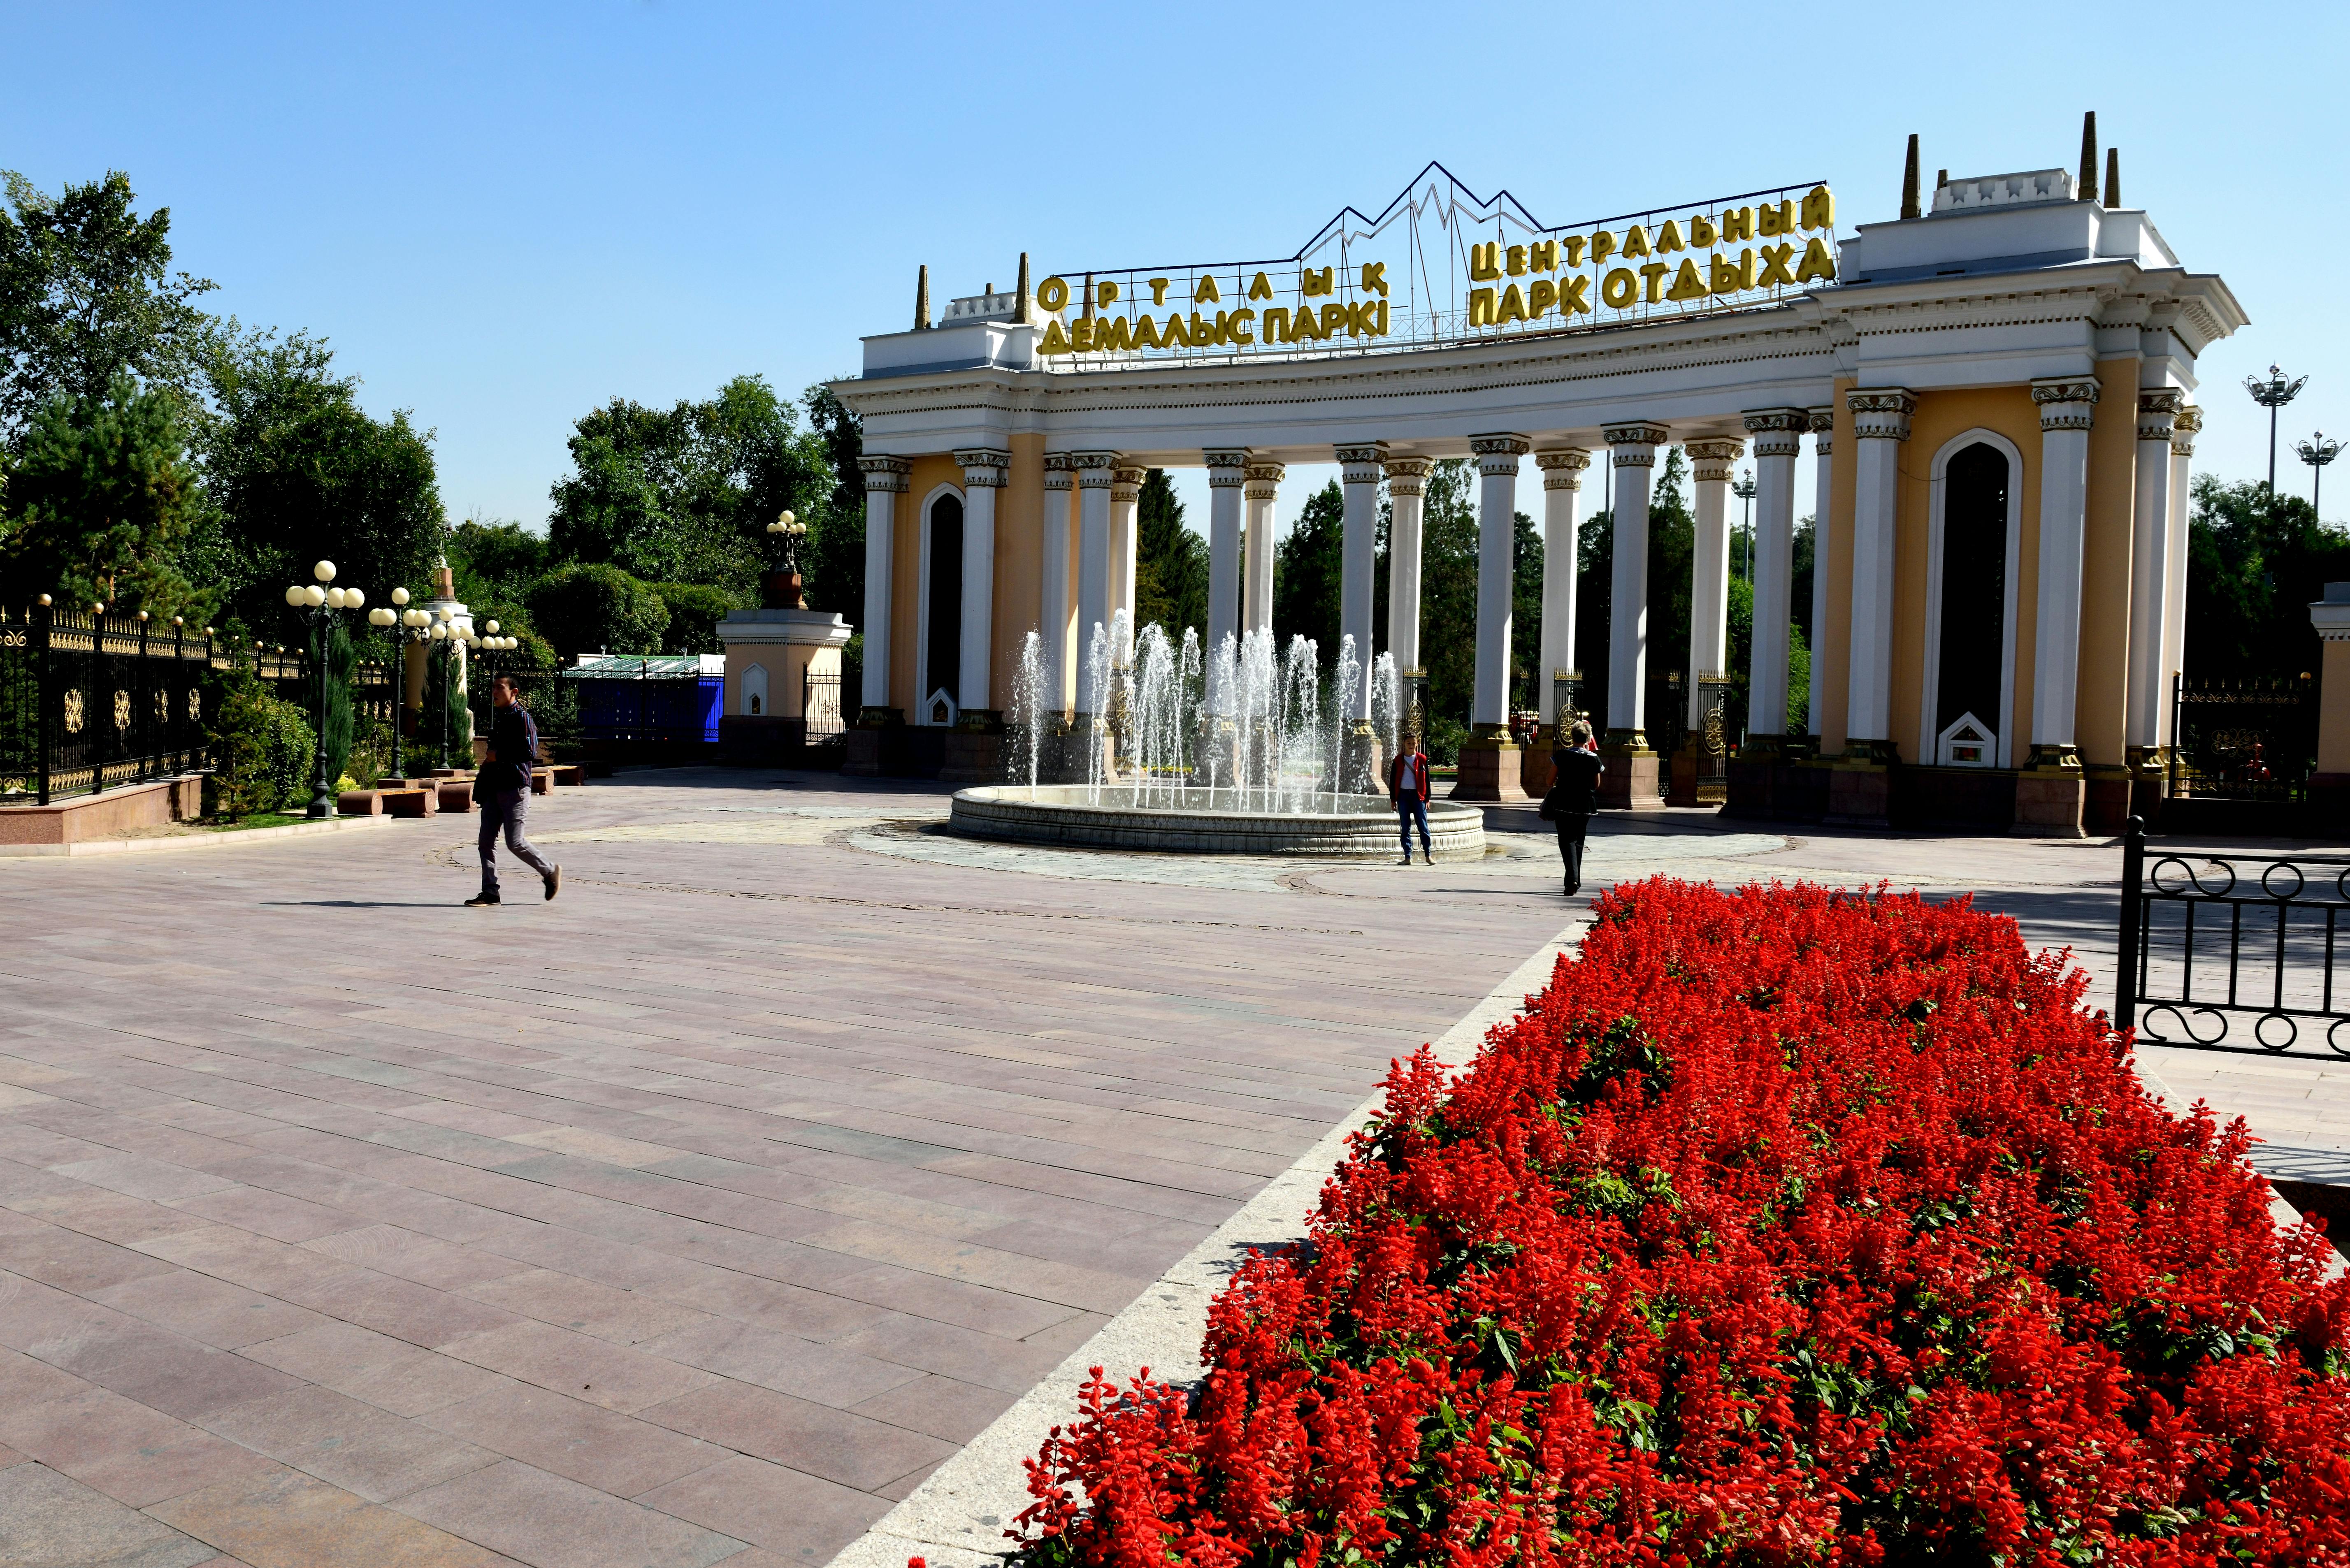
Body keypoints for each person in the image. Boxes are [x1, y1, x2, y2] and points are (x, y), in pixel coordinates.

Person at [467, 673, 561, 907]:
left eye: (500, 688)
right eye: (493, 688)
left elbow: (530, 751)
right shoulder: (499, 719)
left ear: (514, 692)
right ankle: (490, 892)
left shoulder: (522, 718)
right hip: (493, 789)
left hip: (515, 788)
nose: (495, 692)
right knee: (486, 842)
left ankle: (549, 871)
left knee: (515, 842)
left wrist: (497, 756)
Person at [1546, 719, 1602, 896]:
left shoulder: (1562, 756)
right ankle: (1574, 881)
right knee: (1579, 842)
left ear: (1571, 736)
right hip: (1585, 805)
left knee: (1566, 841)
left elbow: (1549, 781)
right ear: (1588, 738)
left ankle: (1572, 880)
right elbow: (1597, 784)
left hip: (1563, 803)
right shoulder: (1593, 758)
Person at [1389, 731, 1434, 865]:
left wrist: (1428, 798)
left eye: (1414, 744)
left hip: (1418, 796)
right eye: (1409, 743)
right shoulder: (1398, 760)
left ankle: (1428, 855)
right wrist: (1393, 800)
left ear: (1417, 744)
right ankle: (1408, 857)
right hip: (1403, 796)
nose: (1411, 746)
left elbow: (1427, 779)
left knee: (1423, 827)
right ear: (1404, 743)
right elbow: (1392, 781)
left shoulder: (1422, 759)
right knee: (1405, 828)